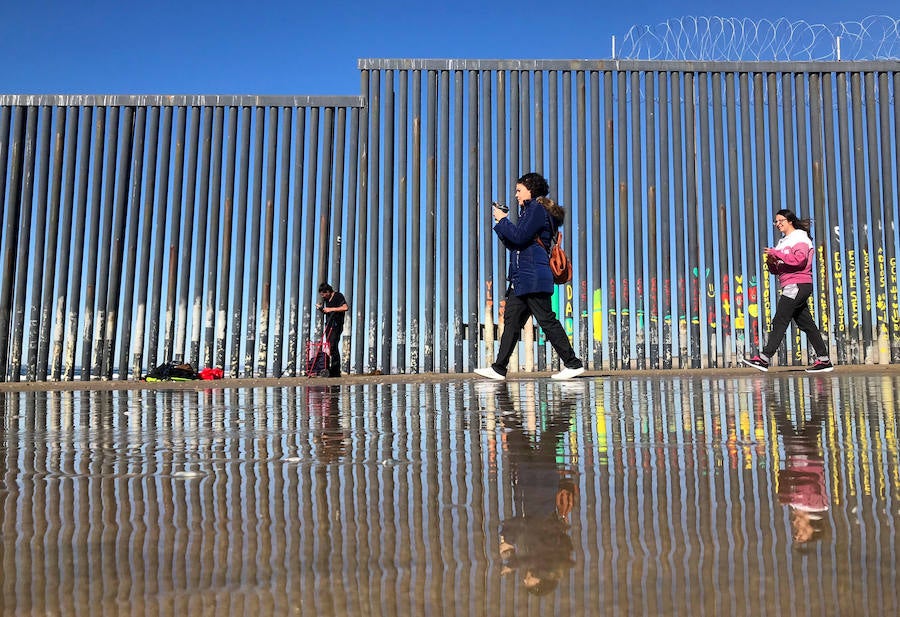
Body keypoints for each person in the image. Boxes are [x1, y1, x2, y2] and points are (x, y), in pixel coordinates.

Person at [474, 172, 585, 381]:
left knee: (546, 319)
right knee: (512, 322)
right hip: (523, 278)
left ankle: (573, 364)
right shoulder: (530, 211)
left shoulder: (536, 209)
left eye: (518, 190)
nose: (516, 195)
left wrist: (503, 220)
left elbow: (519, 236)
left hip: (533, 276)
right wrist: (501, 225)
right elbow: (516, 243)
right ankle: (499, 368)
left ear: (530, 189)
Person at [742, 209, 834, 373]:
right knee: (807, 324)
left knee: (780, 319)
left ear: (789, 220)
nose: (777, 224)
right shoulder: (783, 242)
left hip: (798, 284)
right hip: (791, 285)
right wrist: (772, 262)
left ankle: (764, 358)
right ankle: (824, 360)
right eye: (775, 222)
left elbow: (800, 260)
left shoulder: (799, 237)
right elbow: (777, 270)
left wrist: (777, 253)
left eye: (780, 220)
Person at [316, 282, 348, 377]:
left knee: (333, 345)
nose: (323, 297)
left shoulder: (338, 296)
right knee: (330, 346)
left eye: (324, 294)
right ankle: (331, 369)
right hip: (329, 324)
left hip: (336, 324)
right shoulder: (326, 299)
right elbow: (328, 311)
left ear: (329, 291)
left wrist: (331, 309)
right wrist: (322, 309)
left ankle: (335, 371)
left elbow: (345, 307)